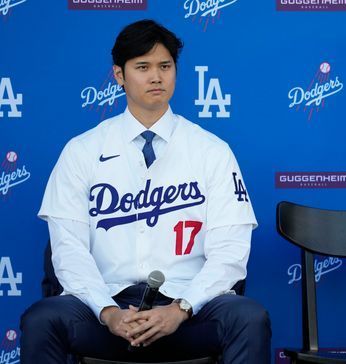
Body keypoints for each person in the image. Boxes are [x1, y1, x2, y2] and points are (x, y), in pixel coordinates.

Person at [20, 19, 271, 363]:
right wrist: (108, 312)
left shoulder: (212, 151)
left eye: (165, 66)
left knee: (248, 318)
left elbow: (229, 253)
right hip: (106, 311)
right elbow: (69, 251)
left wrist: (180, 309)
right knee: (42, 319)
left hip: (187, 313)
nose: (156, 77)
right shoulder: (81, 151)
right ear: (119, 76)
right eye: (143, 67)